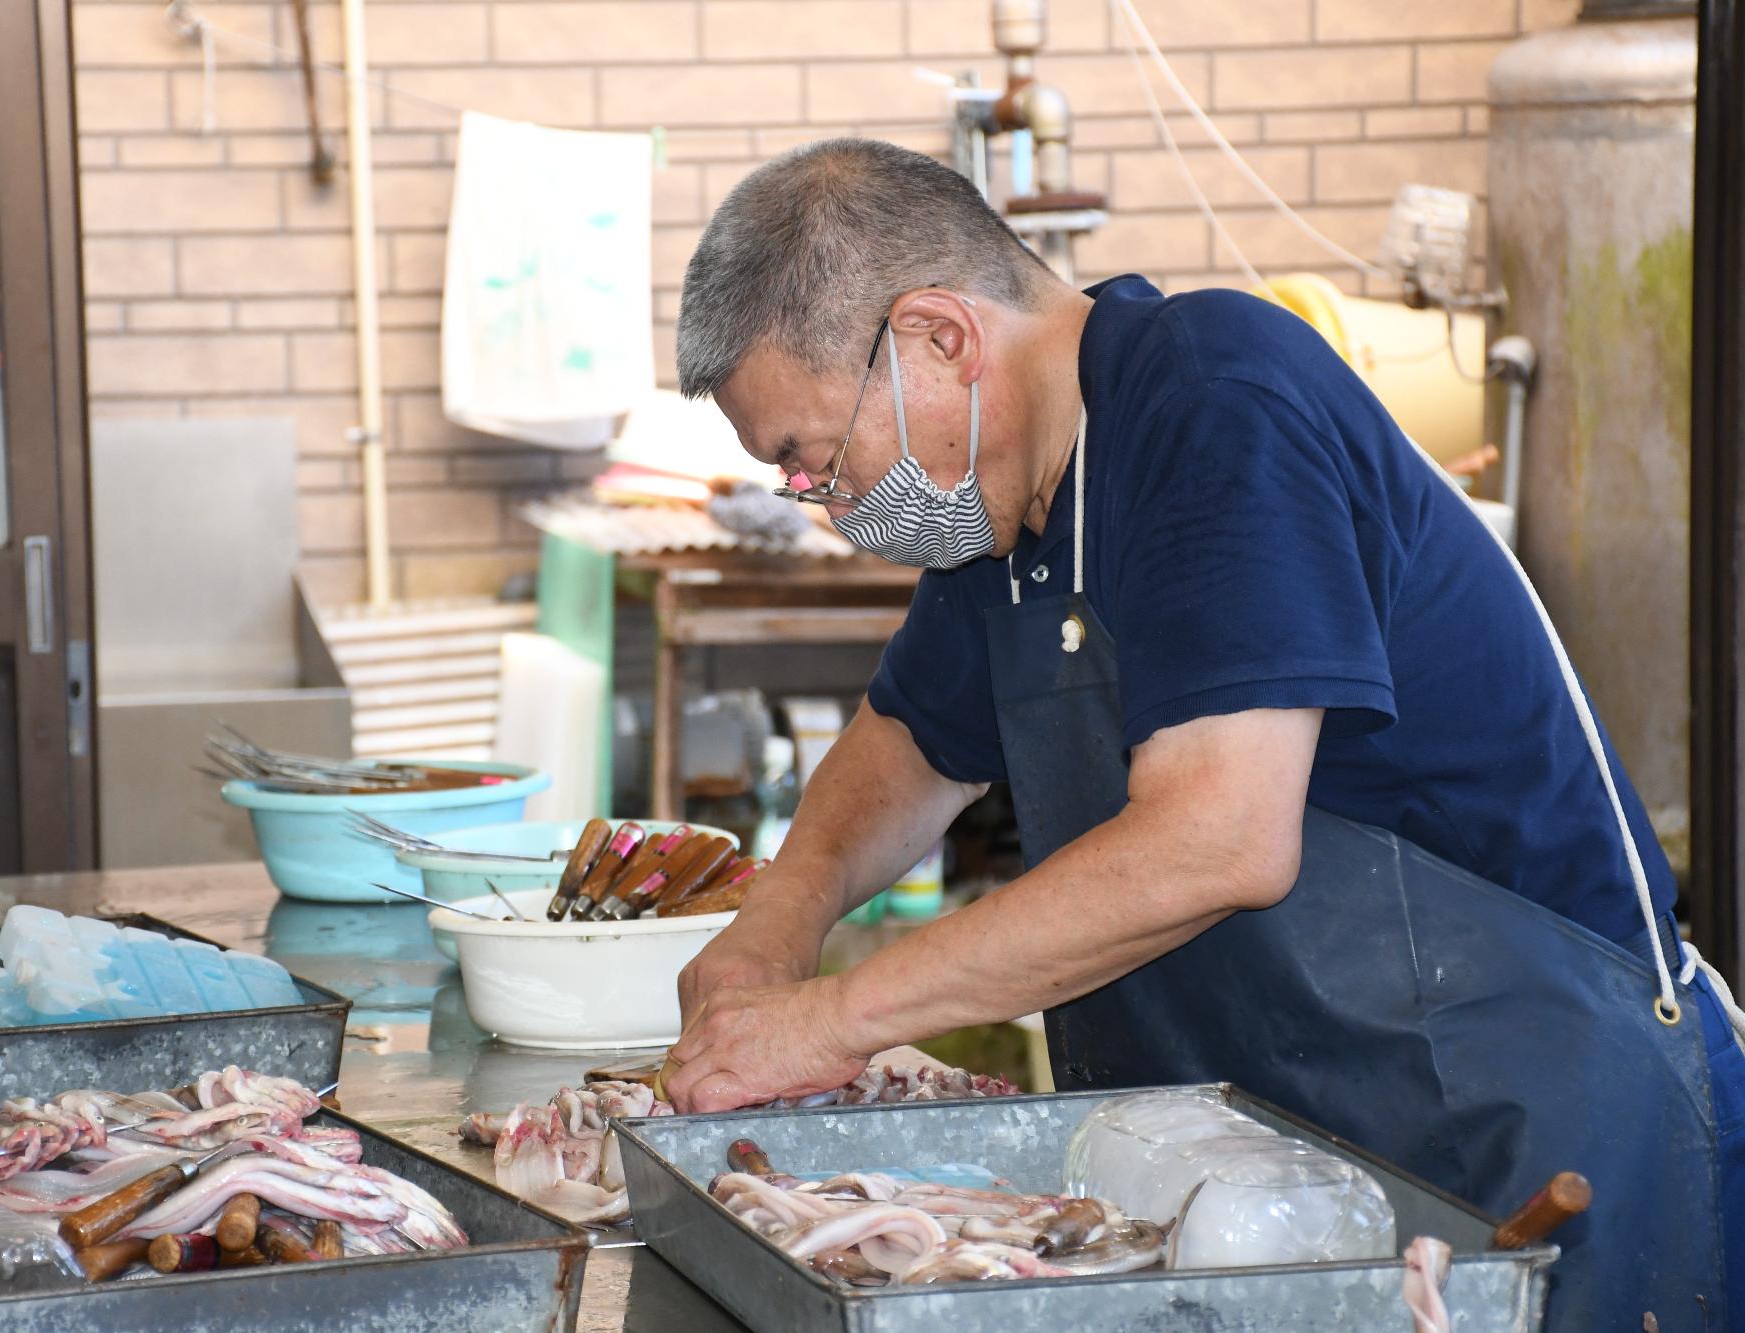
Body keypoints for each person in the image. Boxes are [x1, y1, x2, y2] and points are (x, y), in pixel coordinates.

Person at [660, 137, 1744, 1329]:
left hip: (1522, 1136)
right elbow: (902, 747)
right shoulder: (1003, 506)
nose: (825, 507)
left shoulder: (1213, 399)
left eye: (813, 461)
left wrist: (831, 1018)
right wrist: (772, 929)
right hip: (1280, 1157)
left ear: (940, 339)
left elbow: (1219, 835)